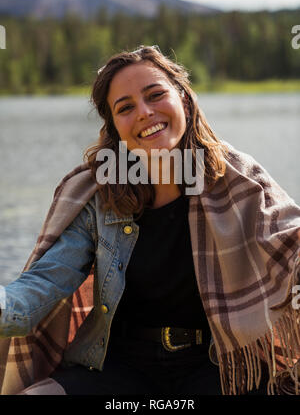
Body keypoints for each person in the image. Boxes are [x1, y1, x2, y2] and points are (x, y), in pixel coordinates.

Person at [0, 45, 299, 396]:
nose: (144, 112)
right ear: (115, 129)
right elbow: (44, 285)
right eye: (125, 108)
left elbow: (292, 245)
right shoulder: (98, 195)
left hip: (218, 364)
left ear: (184, 101)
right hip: (118, 365)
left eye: (155, 95)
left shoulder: (239, 181)